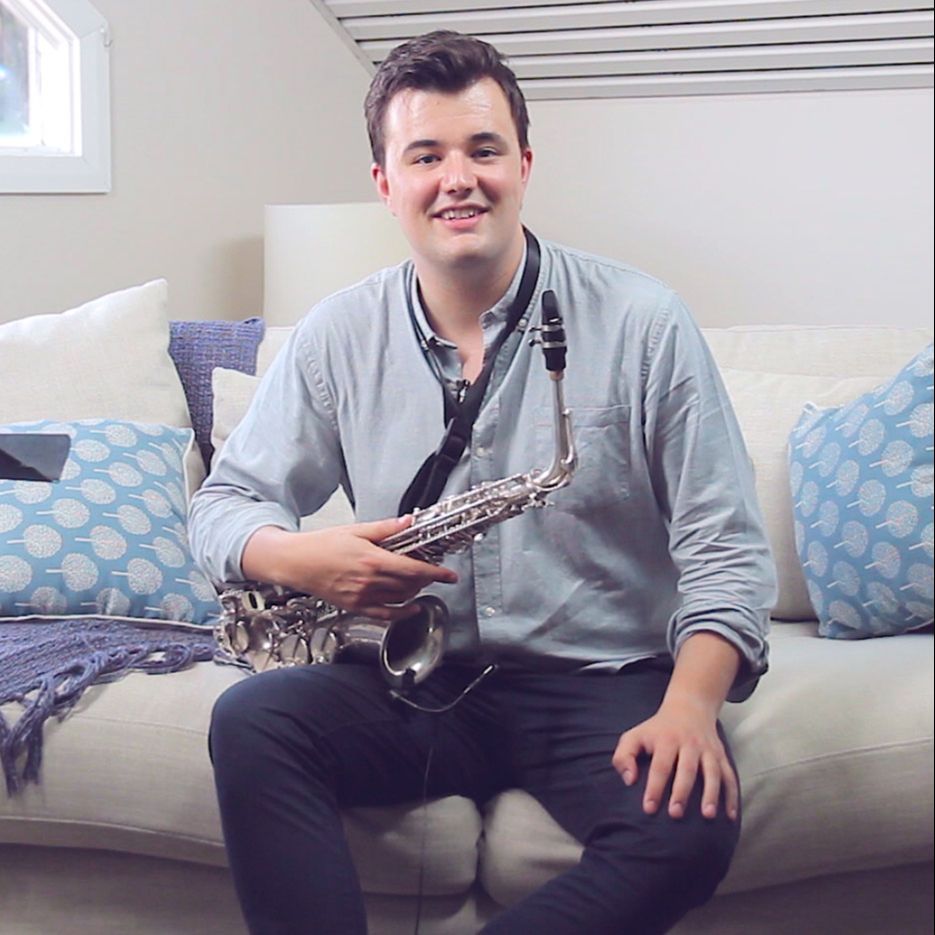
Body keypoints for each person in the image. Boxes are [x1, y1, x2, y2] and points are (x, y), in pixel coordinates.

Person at [189, 29, 776, 935]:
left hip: (601, 680)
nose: (457, 178)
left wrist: (691, 707)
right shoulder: (336, 335)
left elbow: (726, 550)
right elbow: (223, 505)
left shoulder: (645, 321)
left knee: (687, 828)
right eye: (425, 156)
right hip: (417, 677)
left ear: (524, 166)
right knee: (251, 721)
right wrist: (303, 559)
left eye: (483, 150)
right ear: (385, 183)